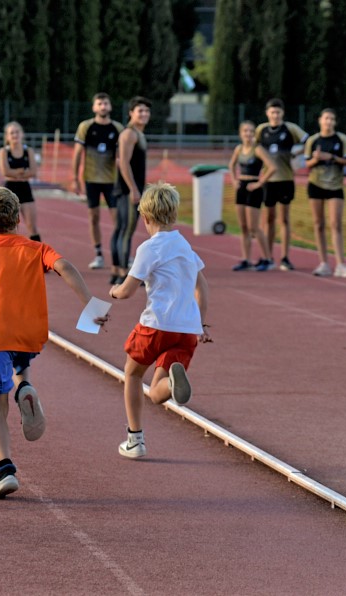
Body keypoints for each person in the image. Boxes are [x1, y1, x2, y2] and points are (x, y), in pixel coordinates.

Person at [0, 187, 107, 498]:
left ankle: (4, 469)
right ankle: (23, 388)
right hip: (31, 335)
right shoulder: (37, 248)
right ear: (18, 218)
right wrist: (90, 303)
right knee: (19, 366)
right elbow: (66, 267)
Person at [109, 183, 211, 458]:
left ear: (145, 217)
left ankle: (135, 440)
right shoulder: (184, 245)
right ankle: (173, 386)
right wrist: (201, 324)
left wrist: (114, 291)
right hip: (187, 330)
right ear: (174, 214)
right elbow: (202, 287)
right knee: (156, 392)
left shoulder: (149, 248)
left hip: (156, 325)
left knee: (131, 374)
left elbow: (128, 290)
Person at [71, 92, 124, 275]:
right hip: (91, 179)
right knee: (93, 217)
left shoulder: (118, 128)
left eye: (106, 103)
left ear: (110, 106)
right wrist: (75, 178)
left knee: (119, 219)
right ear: (94, 107)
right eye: (99, 103)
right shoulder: (86, 127)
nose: (103, 106)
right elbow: (77, 153)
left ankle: (121, 253)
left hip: (112, 181)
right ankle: (99, 254)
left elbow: (123, 156)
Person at [255, 99, 308, 271]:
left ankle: (285, 257)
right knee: (268, 219)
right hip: (268, 181)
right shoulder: (261, 130)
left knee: (284, 219)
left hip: (285, 179)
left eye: (278, 112)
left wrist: (297, 154)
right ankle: (267, 256)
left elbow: (309, 141)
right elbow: (254, 148)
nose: (275, 115)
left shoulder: (290, 129)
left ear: (282, 113)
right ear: (267, 113)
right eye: (272, 112)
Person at [304, 109, 346, 278]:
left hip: (335, 185)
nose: (329, 122)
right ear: (320, 120)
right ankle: (323, 263)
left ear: (335, 122)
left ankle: (341, 264)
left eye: (332, 119)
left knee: (335, 224)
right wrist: (316, 159)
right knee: (318, 223)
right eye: (326, 118)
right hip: (316, 184)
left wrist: (331, 157)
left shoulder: (341, 139)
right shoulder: (312, 140)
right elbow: (307, 164)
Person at [228, 120, 277, 272]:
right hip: (241, 187)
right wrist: (234, 180)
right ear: (240, 134)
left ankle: (268, 259)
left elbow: (273, 167)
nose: (248, 134)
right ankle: (246, 259)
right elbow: (231, 165)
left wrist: (259, 183)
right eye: (245, 131)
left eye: (251, 131)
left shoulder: (258, 149)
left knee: (254, 227)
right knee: (243, 227)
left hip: (254, 188)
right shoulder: (239, 148)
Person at [114, 96, 151, 285]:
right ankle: (122, 273)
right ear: (131, 113)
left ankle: (120, 272)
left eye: (146, 111)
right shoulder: (129, 134)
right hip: (128, 191)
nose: (144, 114)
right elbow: (123, 163)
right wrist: (133, 189)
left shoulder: (138, 133)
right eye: (140, 111)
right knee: (126, 231)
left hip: (131, 189)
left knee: (123, 230)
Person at [0, 121, 40, 240]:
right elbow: (5, 172)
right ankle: (11, 255)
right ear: (7, 136)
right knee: (10, 227)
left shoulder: (29, 151)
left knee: (32, 226)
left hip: (25, 188)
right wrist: (22, 172)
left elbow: (33, 171)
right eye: (12, 133)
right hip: (10, 190)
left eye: (17, 132)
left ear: (22, 134)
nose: (15, 135)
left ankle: (38, 255)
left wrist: (14, 173)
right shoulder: (4, 152)